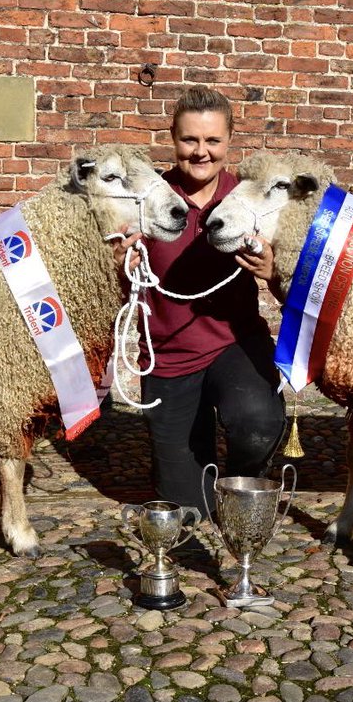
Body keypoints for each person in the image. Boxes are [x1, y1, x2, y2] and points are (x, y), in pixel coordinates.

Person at [112, 85, 286, 516]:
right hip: (169, 358)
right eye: (190, 139)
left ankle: (242, 484)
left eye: (213, 140)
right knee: (186, 508)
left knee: (258, 425)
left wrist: (273, 274)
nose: (201, 152)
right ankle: (197, 476)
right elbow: (119, 297)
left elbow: (298, 292)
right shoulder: (145, 200)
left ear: (229, 141)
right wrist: (119, 268)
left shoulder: (250, 199)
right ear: (172, 138)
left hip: (234, 346)